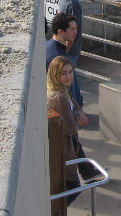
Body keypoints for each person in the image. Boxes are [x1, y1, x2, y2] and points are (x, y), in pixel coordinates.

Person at [47, 56, 87, 206]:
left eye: (70, 72)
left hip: (67, 147)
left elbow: (76, 107)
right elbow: (72, 127)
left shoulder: (64, 91)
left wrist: (75, 114)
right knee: (73, 188)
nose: (68, 76)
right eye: (63, 73)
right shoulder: (58, 97)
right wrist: (77, 115)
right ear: (55, 75)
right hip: (62, 149)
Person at [46, 12, 82, 107]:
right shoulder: (58, 57)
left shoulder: (49, 46)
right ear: (60, 31)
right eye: (72, 29)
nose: (76, 32)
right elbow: (66, 86)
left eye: (76, 28)